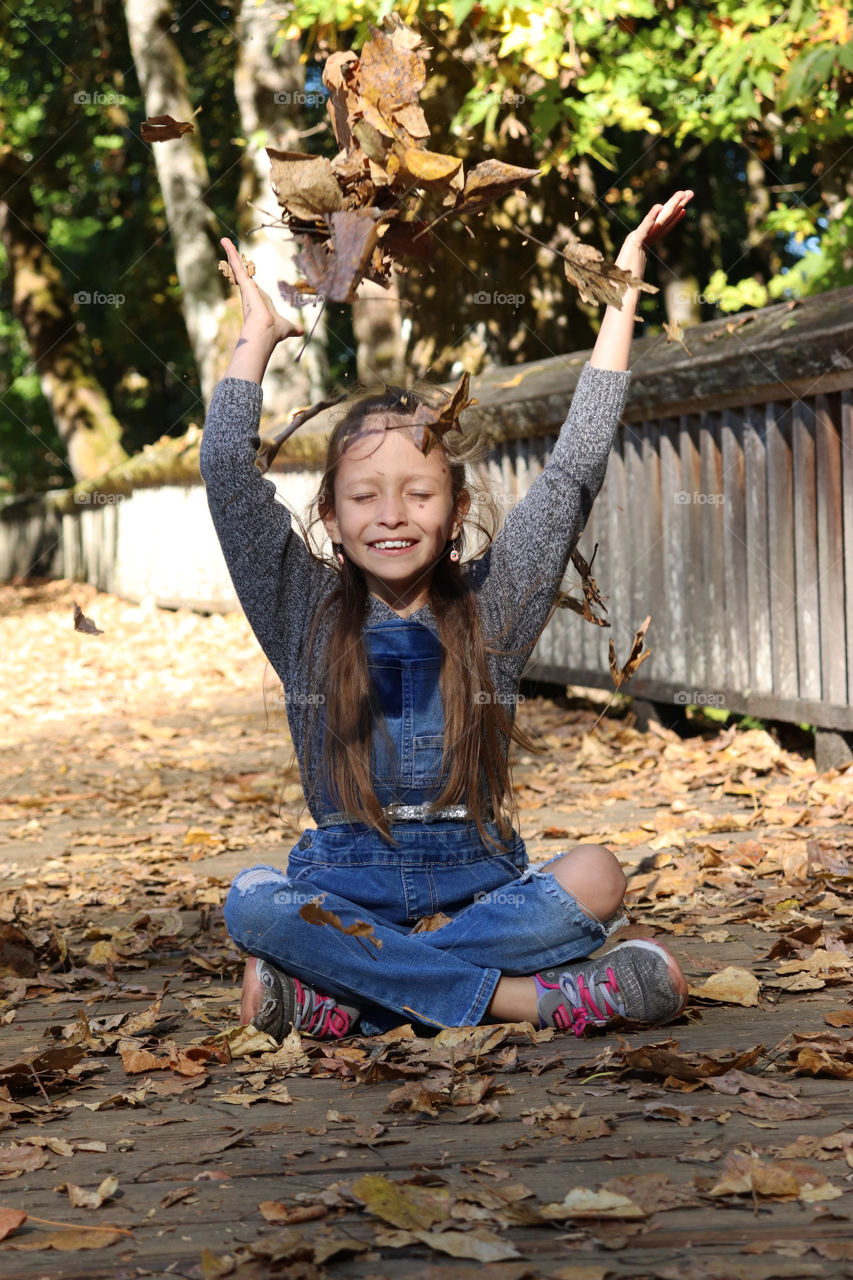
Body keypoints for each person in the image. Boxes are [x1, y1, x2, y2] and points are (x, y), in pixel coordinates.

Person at [200, 191, 694, 1042]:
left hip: (483, 887)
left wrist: (621, 297)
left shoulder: (493, 606)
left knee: (597, 874)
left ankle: (347, 997)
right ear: (329, 514)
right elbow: (226, 475)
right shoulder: (303, 614)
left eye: (417, 493)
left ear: (456, 508)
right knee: (252, 898)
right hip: (342, 889)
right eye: (365, 496)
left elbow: (575, 466)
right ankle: (527, 1002)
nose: (391, 514)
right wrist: (259, 334)